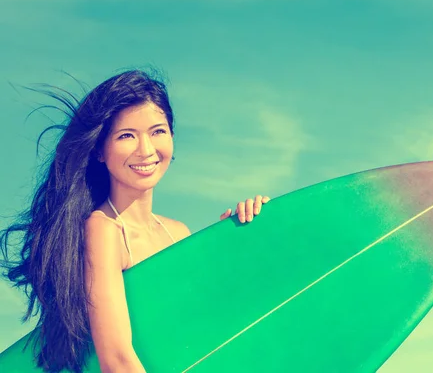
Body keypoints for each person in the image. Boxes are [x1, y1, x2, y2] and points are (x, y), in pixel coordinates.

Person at [0, 69, 270, 373]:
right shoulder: (104, 230)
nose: (146, 150)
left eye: (158, 131)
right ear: (100, 151)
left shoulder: (177, 233)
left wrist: (247, 231)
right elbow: (116, 360)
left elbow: (209, 328)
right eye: (127, 135)